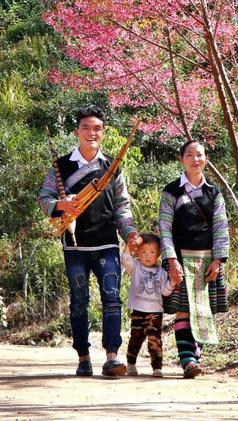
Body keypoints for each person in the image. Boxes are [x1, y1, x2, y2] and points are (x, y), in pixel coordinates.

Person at [39, 105, 142, 378]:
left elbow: (122, 207)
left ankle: (112, 357)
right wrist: (61, 204)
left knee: (112, 298)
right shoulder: (62, 166)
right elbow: (44, 199)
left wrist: (130, 233)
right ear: (77, 132)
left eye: (97, 128)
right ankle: (83, 358)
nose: (91, 133)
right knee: (78, 301)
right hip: (75, 246)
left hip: (107, 243)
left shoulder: (112, 167)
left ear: (103, 133)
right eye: (86, 128)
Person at [159, 139, 229, 379]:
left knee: (203, 311)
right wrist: (171, 260)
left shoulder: (214, 192)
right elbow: (164, 228)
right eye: (189, 155)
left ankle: (195, 356)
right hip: (180, 259)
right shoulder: (172, 191)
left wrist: (218, 261)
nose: (195, 159)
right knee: (183, 311)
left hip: (207, 262)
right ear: (181, 159)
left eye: (199, 155)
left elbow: (220, 227)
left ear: (206, 159)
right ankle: (188, 361)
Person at [121, 232, 173, 377]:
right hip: (138, 311)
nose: (148, 256)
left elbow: (165, 291)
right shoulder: (135, 266)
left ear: (159, 253)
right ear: (138, 252)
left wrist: (173, 282)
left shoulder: (161, 272)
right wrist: (130, 246)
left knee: (154, 339)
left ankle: (157, 367)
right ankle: (131, 363)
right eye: (143, 252)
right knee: (136, 338)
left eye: (152, 252)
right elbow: (125, 259)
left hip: (155, 312)